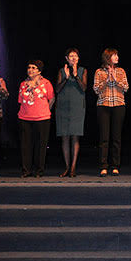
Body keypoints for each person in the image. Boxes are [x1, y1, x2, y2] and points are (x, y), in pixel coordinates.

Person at [93, 48, 129, 176]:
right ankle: (103, 166)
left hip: (118, 105)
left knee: (116, 138)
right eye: (114, 55)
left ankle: (115, 166)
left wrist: (115, 79)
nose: (117, 57)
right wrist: (107, 80)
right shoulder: (99, 72)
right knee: (104, 138)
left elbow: (126, 87)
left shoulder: (121, 71)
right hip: (103, 106)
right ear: (108, 57)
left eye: (117, 55)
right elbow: (96, 89)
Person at [17, 59, 54, 178]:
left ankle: (39, 170)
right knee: (25, 146)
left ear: (39, 71)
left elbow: (51, 99)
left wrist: (45, 110)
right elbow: (20, 101)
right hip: (25, 117)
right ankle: (26, 170)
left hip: (42, 118)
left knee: (40, 146)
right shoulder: (23, 84)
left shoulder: (46, 83)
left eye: (33, 68)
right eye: (29, 67)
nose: (30, 70)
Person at [54, 48, 87, 178]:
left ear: (78, 58)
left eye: (75, 56)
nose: (73, 58)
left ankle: (73, 167)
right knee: (65, 137)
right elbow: (57, 89)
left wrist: (76, 75)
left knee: (75, 136)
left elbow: (84, 87)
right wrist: (66, 78)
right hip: (63, 106)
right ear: (67, 59)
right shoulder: (62, 71)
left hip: (77, 106)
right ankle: (67, 167)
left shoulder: (83, 70)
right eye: (71, 56)